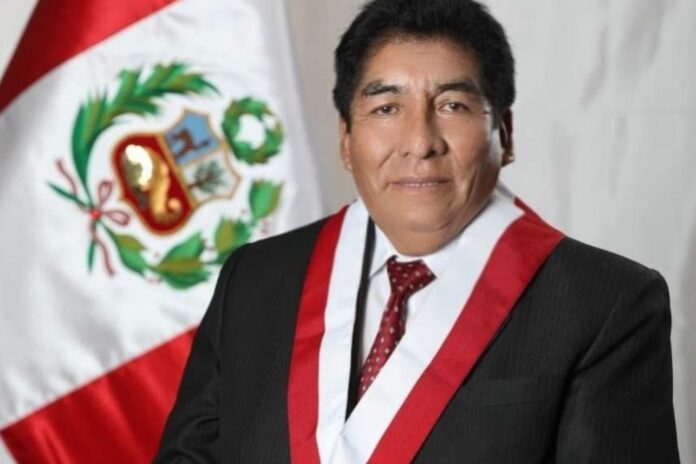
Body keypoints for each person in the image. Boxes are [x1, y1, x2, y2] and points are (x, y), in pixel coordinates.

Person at [154, 0, 680, 462]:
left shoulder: (606, 304)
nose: (419, 142)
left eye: (452, 106)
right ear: (346, 140)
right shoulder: (256, 278)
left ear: (505, 133)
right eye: (386, 108)